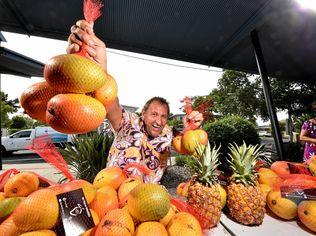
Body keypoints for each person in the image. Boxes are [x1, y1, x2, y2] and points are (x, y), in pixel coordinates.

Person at [67, 20, 203, 183]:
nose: (159, 121)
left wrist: (192, 128)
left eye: (163, 116)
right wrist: (99, 69)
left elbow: (189, 148)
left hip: (150, 201)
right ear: (143, 114)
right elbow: (108, 100)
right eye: (154, 114)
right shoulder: (128, 122)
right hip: (113, 195)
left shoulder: (169, 133)